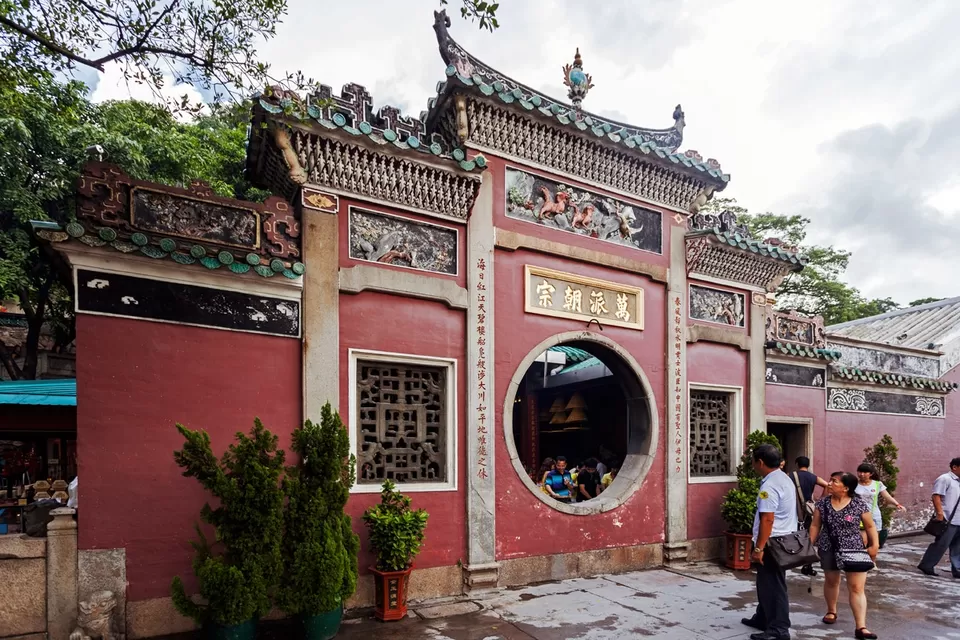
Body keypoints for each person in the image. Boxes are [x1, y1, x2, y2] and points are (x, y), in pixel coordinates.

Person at [808, 472, 879, 639]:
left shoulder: (858, 504)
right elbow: (815, 525)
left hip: (853, 549)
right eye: (831, 479)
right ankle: (831, 611)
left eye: (834, 481)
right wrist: (809, 545)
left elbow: (870, 526)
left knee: (856, 587)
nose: (830, 483)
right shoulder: (823, 503)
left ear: (846, 488)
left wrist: (874, 545)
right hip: (828, 547)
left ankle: (861, 627)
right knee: (832, 581)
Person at [741, 444, 797, 640]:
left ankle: (779, 629)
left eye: (754, 462)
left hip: (773, 542)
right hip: (783, 538)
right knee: (766, 583)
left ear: (760, 462)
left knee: (773, 585)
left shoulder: (769, 486)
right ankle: (762, 617)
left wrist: (759, 547)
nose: (753, 465)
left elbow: (767, 519)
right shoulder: (784, 478)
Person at [918, 457, 960, 578]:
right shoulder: (945, 479)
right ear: (955, 467)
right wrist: (940, 514)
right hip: (948, 519)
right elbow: (936, 496)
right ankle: (927, 565)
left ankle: (957, 569)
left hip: (959, 519)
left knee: (958, 547)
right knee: (941, 544)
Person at [793, 456, 829, 576]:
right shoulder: (813, 477)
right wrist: (821, 500)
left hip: (793, 508)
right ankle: (807, 562)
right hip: (808, 510)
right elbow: (827, 485)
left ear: (797, 464)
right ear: (807, 465)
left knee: (793, 532)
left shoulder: (791, 476)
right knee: (808, 533)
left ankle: (793, 556)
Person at [855, 463, 905, 548]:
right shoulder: (854, 484)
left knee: (874, 543)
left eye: (865, 472)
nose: (861, 474)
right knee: (863, 541)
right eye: (860, 472)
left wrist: (897, 504)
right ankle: (861, 560)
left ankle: (872, 560)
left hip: (874, 515)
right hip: (859, 515)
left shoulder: (878, 484)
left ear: (871, 474)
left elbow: (887, 496)